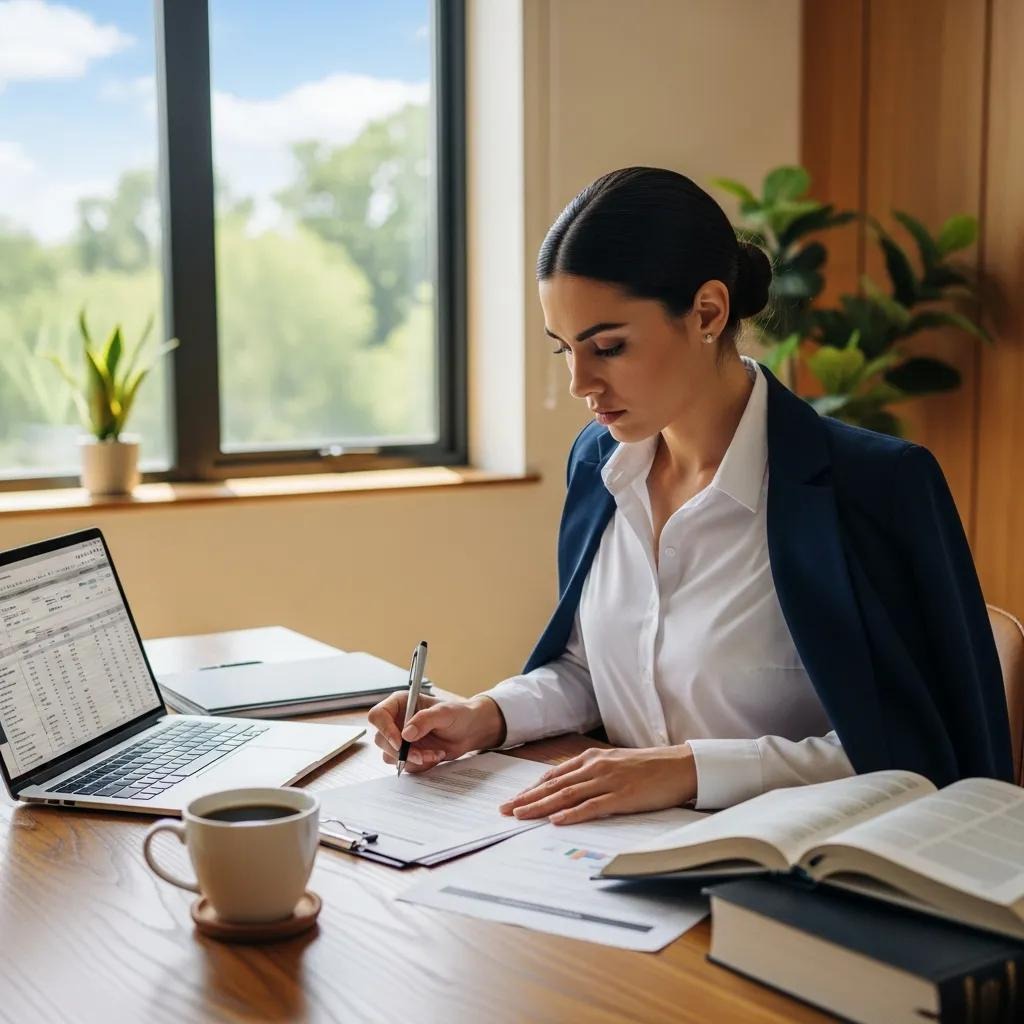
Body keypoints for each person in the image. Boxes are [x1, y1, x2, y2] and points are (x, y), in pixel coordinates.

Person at [368, 166, 1013, 825]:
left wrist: (689, 770)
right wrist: (487, 715)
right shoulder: (598, 465)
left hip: (805, 871)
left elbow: (921, 755)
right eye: (564, 349)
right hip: (615, 856)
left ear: (707, 312)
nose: (579, 383)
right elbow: (591, 672)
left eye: (609, 347)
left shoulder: (875, 487)